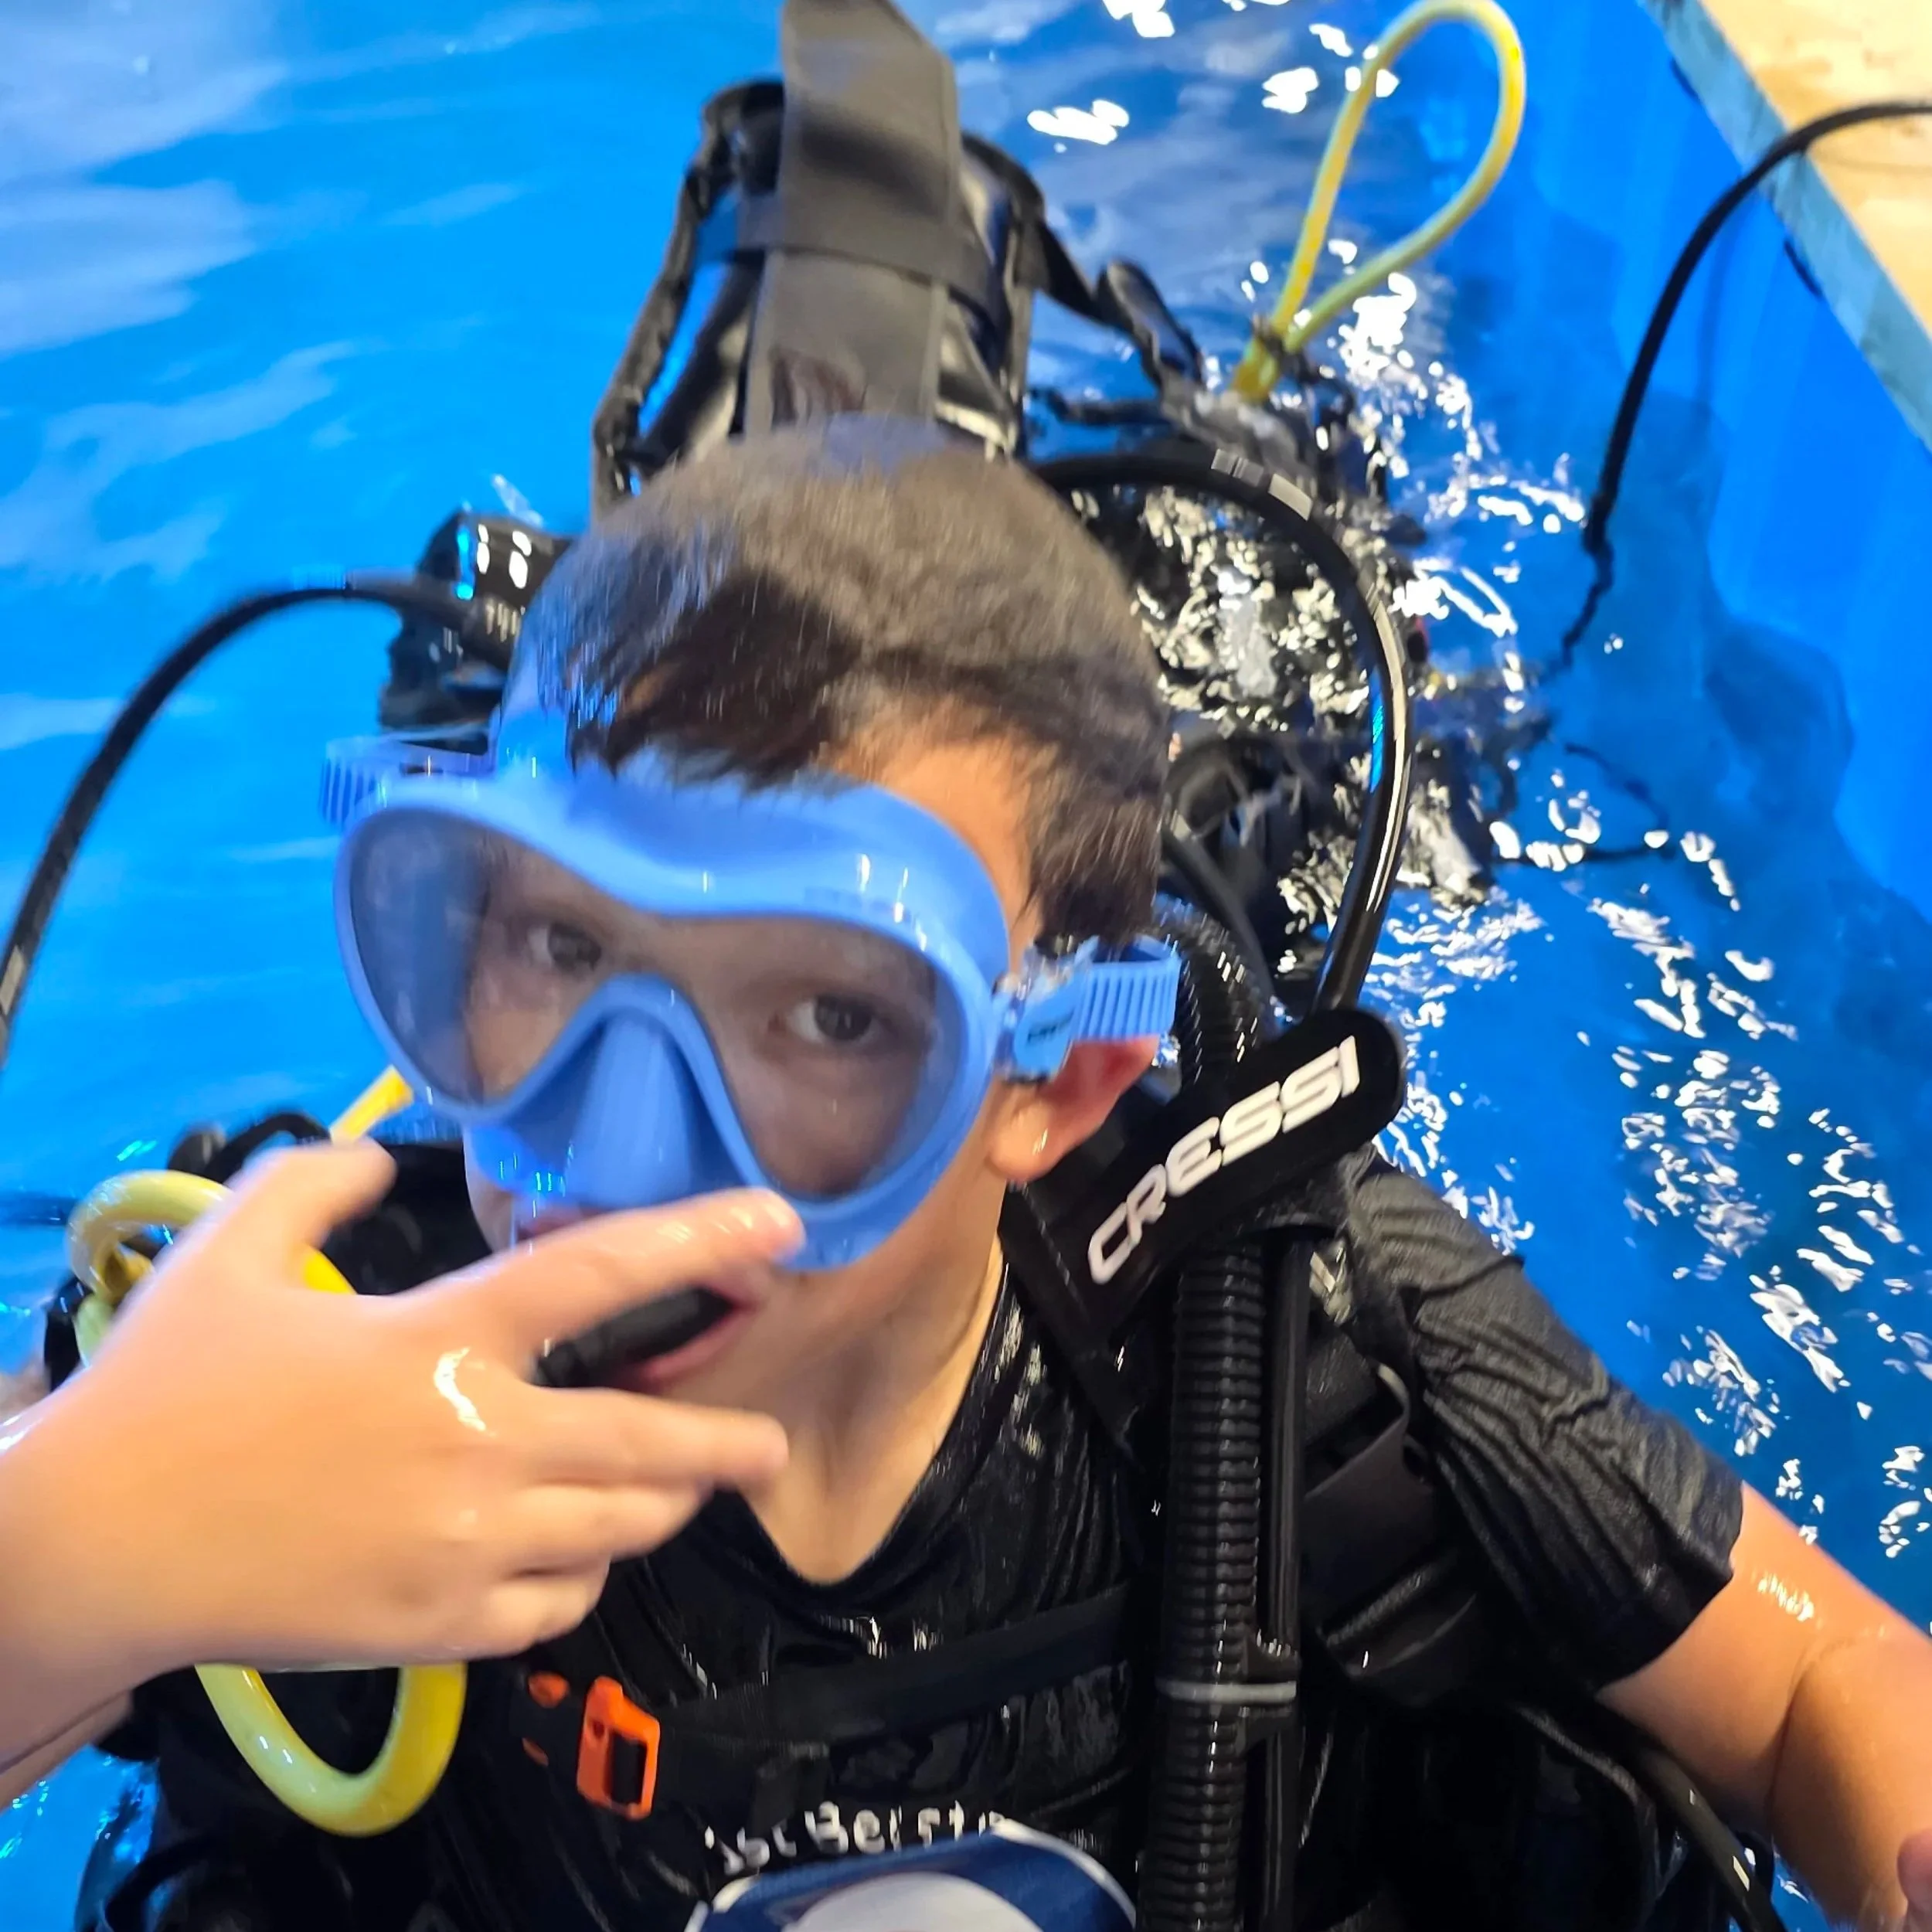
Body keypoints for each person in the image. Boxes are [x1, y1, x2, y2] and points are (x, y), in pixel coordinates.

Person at [54, 423, 1932, 1932]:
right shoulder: (314, 1350)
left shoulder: (1282, 1324)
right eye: (556, 944)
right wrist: (93, 1547)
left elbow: (1809, 1686)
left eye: (829, 1016)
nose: (616, 1155)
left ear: (1053, 1077)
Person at [0, 1151, 798, 1808]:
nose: (617, 1148)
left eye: (839, 1025)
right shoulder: (303, 1317)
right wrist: (99, 1521)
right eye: (558, 961)